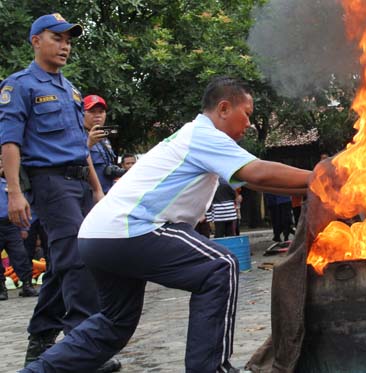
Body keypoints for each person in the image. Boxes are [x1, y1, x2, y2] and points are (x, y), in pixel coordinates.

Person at [21, 77, 312, 373]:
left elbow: (253, 181)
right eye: (247, 114)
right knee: (219, 265)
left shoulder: (196, 137)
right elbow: (258, 172)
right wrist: (323, 176)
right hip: (131, 229)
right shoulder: (205, 135)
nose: (249, 123)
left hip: (99, 236)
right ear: (224, 108)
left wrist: (315, 188)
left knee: (113, 324)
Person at [0, 14, 120, 371]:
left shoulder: (70, 90)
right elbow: (9, 142)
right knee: (79, 258)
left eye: (69, 39)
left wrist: (97, 189)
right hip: (49, 183)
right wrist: (14, 193)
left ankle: (41, 338)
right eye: (57, 38)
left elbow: (78, 145)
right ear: (36, 41)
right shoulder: (19, 86)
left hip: (80, 182)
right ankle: (83, 349)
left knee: (60, 264)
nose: (65, 45)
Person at [0, 159, 39, 299]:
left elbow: (20, 208)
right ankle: (1, 288)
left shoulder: (9, 187)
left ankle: (27, 285)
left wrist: (24, 228)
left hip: (11, 226)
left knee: (20, 256)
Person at [84, 95, 122, 193]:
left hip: (108, 193)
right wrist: (88, 144)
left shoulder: (104, 137)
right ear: (81, 113)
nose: (97, 115)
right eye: (92, 111)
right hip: (88, 195)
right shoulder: (77, 135)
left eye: (101, 112)